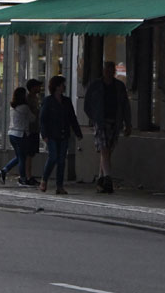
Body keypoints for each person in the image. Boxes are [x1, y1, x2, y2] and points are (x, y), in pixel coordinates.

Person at [84, 60, 132, 194]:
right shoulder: (95, 86)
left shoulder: (119, 86)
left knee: (108, 151)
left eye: (112, 70)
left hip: (115, 122)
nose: (109, 73)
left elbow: (125, 105)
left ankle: (101, 179)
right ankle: (108, 179)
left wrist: (128, 123)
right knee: (104, 149)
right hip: (101, 122)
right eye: (107, 70)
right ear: (104, 71)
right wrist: (94, 118)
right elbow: (87, 104)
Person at [39, 74, 83, 196]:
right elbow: (43, 119)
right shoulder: (48, 101)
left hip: (64, 134)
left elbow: (72, 118)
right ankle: (44, 179)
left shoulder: (66, 101)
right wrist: (44, 134)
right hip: (52, 134)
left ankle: (59, 186)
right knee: (53, 157)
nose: (64, 86)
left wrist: (78, 132)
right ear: (57, 86)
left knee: (62, 160)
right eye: (62, 84)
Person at [0, 87, 36, 186]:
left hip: (12, 134)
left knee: (20, 156)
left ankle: (4, 171)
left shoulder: (13, 107)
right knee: (22, 158)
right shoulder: (25, 107)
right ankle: (22, 179)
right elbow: (33, 118)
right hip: (21, 134)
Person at [24, 77, 43, 186]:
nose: (40, 88)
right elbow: (31, 114)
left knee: (31, 154)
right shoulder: (29, 99)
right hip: (30, 129)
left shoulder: (35, 98)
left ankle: (27, 175)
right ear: (32, 88)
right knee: (29, 154)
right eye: (38, 86)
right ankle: (28, 176)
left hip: (35, 128)